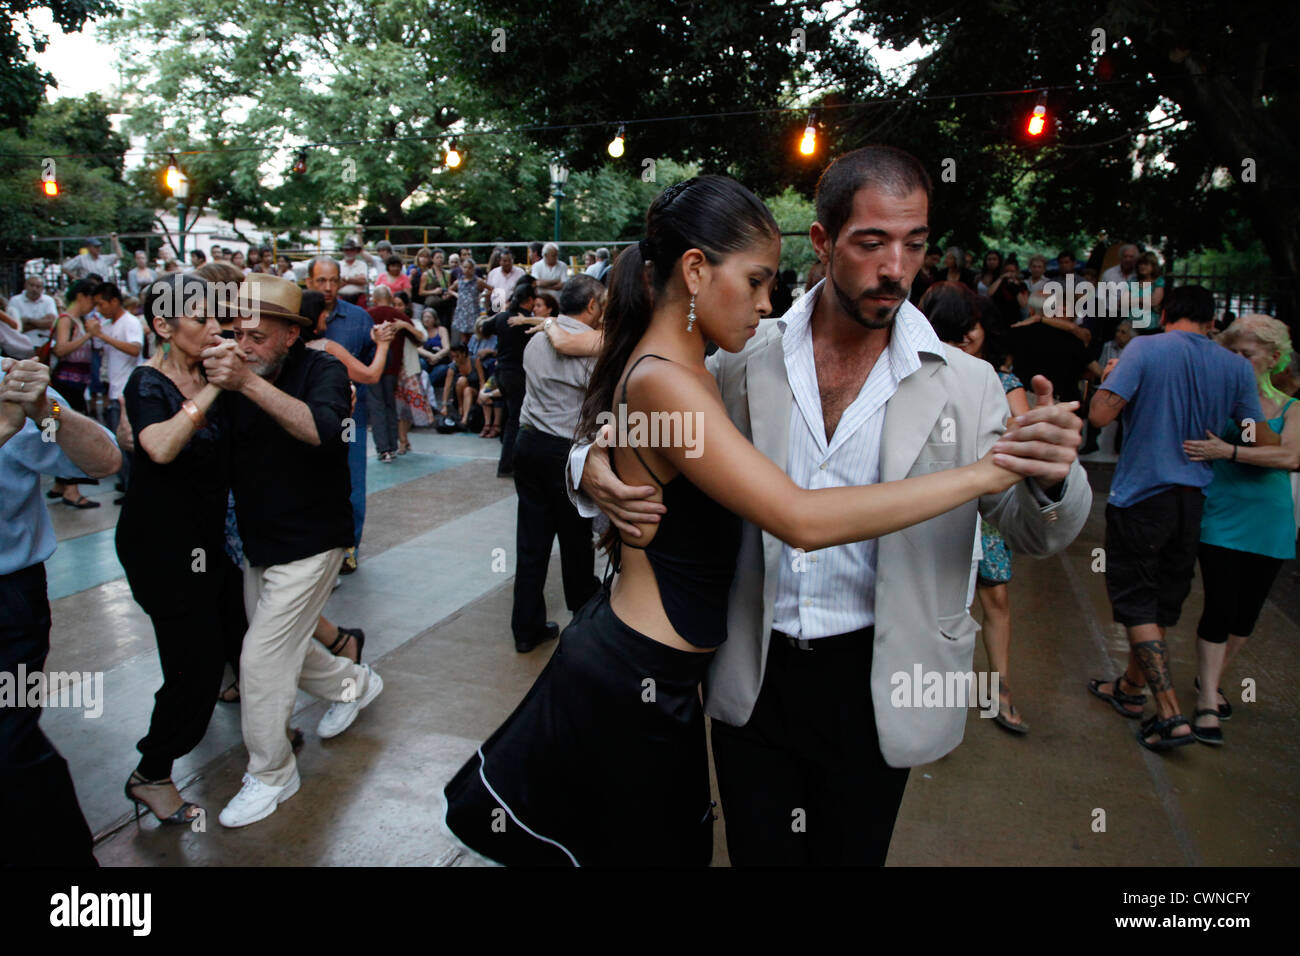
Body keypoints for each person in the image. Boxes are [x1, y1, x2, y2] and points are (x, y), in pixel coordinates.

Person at [448, 158, 1089, 867]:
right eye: (873, 242)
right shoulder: (744, 354)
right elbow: (649, 416)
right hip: (751, 673)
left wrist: (1052, 477)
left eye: (915, 243)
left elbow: (1033, 529)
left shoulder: (966, 384)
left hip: (880, 679)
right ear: (823, 240)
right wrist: (587, 465)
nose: (897, 266)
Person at [201, 275, 384, 828]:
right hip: (261, 540)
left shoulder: (320, 368)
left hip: (314, 539)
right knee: (287, 648)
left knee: (259, 658)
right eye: (238, 333)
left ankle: (272, 775)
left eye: (258, 336)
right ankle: (356, 683)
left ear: (289, 334)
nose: (246, 345)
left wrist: (247, 383)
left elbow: (323, 430)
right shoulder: (233, 371)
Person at [1086, 285, 1277, 752]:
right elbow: (1258, 440)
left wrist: (1114, 377)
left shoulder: (1143, 349)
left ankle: (1170, 715)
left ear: (1166, 312)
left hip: (1141, 496)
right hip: (1192, 500)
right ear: (1213, 322)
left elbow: (1099, 415)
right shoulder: (1234, 367)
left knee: (1134, 600)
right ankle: (1129, 691)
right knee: (1160, 602)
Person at [116, 274, 244, 825]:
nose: (217, 327)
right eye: (201, 318)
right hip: (161, 547)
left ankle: (267, 736)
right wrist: (216, 389)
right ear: (164, 326)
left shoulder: (215, 373)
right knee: (192, 668)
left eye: (219, 316)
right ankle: (152, 772)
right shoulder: (147, 384)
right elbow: (161, 448)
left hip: (210, 542)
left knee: (244, 640)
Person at [1, 356, 120, 866]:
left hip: (8, 602)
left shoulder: (11, 381)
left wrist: (48, 410)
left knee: (8, 744)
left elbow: (101, 462)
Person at [1181, 315, 1299, 745]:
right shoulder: (1220, 400)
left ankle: (1209, 680)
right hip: (1222, 518)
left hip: (1270, 523)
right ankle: (1208, 699)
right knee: (1220, 606)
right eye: (1230, 353)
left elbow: (1290, 458)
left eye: (1246, 355)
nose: (1237, 361)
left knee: (1245, 618)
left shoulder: (1292, 409)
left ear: (1273, 358)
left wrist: (1227, 451)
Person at [920, 282, 1031, 733]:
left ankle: (999, 692)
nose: (968, 338)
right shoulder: (903, 372)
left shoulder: (997, 382)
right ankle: (926, 709)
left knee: (987, 599)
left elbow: (1020, 441)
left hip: (981, 512)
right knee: (939, 610)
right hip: (923, 513)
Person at [500, 274, 606, 657]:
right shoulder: (592, 350)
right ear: (593, 305)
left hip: (527, 446)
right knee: (576, 540)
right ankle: (583, 618)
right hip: (565, 451)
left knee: (531, 543)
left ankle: (525, 628)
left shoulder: (535, 342)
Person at [306, 256, 375, 573]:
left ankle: (349, 549)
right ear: (309, 282)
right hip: (307, 415)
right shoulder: (298, 317)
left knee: (352, 482)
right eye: (321, 281)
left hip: (351, 417)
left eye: (334, 280)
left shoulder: (359, 318)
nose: (329, 287)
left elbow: (371, 368)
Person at [47, 279, 102, 508]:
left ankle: (60, 484)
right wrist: (88, 336)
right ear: (81, 296)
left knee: (59, 430)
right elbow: (61, 349)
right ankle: (71, 489)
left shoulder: (76, 320)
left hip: (73, 386)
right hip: (65, 387)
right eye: (92, 300)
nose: (94, 306)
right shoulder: (66, 320)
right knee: (69, 433)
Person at [91, 283, 144, 504]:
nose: (99, 308)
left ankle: (135, 490)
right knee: (119, 442)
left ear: (114, 301)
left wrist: (104, 337)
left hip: (127, 390)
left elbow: (135, 349)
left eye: (101, 303)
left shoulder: (130, 322)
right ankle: (127, 485)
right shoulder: (106, 324)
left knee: (129, 444)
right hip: (113, 389)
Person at [366, 285, 421, 462]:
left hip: (372, 366)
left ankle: (383, 450)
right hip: (393, 368)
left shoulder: (367, 315)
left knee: (376, 406)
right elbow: (419, 339)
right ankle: (392, 446)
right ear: (390, 299)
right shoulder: (399, 316)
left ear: (374, 298)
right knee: (390, 405)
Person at [493, 282, 538, 477]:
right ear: (529, 300)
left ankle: (508, 462)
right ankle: (508, 465)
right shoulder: (526, 320)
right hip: (516, 375)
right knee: (515, 421)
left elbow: (483, 327)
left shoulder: (502, 317)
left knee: (511, 418)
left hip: (501, 373)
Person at [7, 275, 58, 354]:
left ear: (42, 288)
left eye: (38, 286)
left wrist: (28, 320)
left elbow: (51, 323)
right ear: (25, 285)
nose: (34, 289)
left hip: (45, 345)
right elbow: (15, 327)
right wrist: (42, 322)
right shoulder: (15, 301)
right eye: (32, 285)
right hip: (20, 347)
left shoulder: (48, 300)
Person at [450, 255, 488, 347]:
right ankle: (465, 353)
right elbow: (450, 289)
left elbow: (490, 288)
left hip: (473, 311)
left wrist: (482, 295)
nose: (467, 270)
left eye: (470, 268)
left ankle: (472, 353)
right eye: (465, 267)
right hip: (462, 311)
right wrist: (456, 295)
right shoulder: (459, 281)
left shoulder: (478, 281)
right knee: (463, 337)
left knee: (473, 335)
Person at [486, 249, 526, 314]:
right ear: (500, 261)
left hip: (515, 310)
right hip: (496, 310)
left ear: (513, 260)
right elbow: (488, 292)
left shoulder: (520, 273)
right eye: (504, 261)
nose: (507, 263)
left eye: (509, 260)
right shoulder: (493, 273)